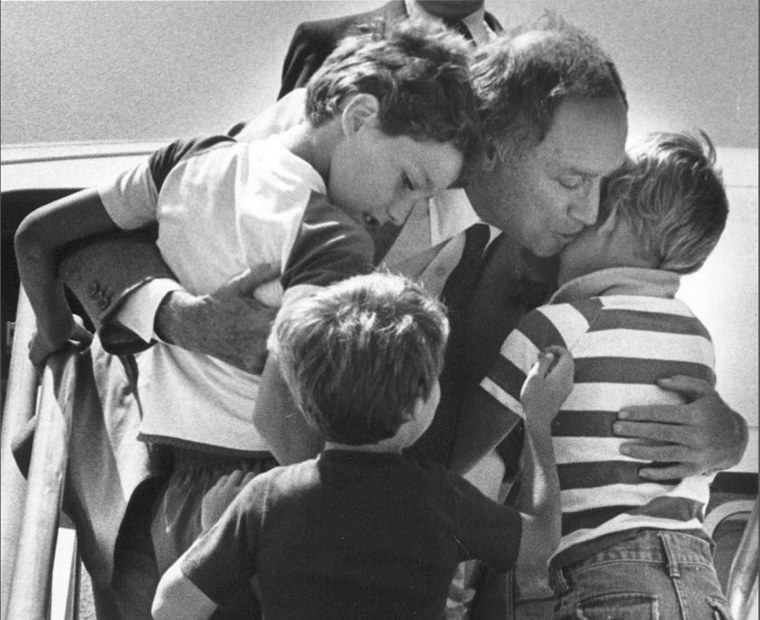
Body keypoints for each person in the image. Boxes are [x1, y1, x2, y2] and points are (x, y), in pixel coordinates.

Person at [14, 21, 479, 618]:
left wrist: (55, 336)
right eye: (410, 182)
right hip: (248, 492)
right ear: (360, 113)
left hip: (159, 492)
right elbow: (278, 412)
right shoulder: (335, 239)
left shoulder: (187, 160)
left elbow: (35, 238)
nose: (400, 209)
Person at [151, 271, 572, 620]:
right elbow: (540, 542)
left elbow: (170, 606)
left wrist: (212, 531)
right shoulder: (441, 499)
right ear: (417, 403)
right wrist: (538, 420)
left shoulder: (265, 499)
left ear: (302, 397)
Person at [470, 131, 734, 619]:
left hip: (609, 572)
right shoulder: (696, 335)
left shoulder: (560, 325)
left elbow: (468, 448)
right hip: (698, 572)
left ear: (611, 214)